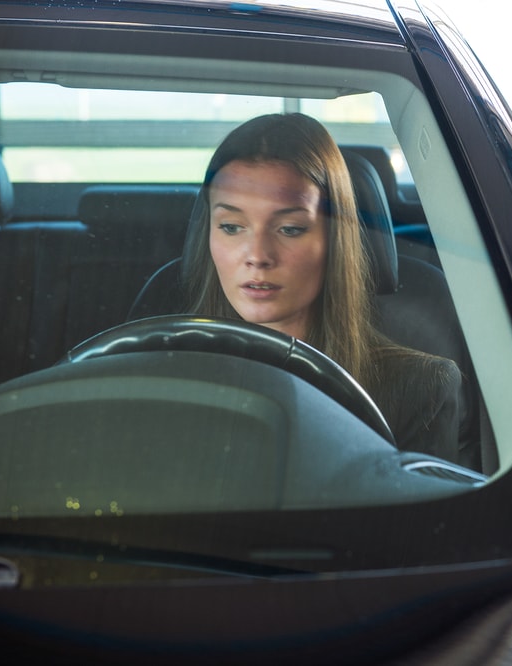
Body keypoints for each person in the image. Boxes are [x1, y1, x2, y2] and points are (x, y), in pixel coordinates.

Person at [182, 112, 464, 464]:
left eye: (290, 229)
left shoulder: (419, 389)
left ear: (334, 239)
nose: (257, 256)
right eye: (232, 227)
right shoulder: (158, 374)